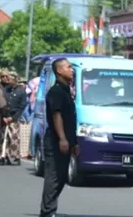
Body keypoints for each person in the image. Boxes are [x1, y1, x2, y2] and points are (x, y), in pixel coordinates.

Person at [39, 58, 77, 217]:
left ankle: (49, 210)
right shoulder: (56, 91)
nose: (72, 70)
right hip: (56, 141)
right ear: (59, 71)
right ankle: (47, 212)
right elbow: (57, 116)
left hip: (66, 140)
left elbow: (70, 119)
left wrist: (74, 142)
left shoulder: (66, 90)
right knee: (54, 177)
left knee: (61, 177)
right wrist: (62, 138)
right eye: (69, 67)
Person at [0, 71, 27, 165]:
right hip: (4, 117)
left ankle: (13, 157)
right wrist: (4, 116)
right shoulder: (5, 90)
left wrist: (13, 117)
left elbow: (22, 106)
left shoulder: (21, 91)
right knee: (1, 137)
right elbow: (2, 103)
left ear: (15, 79)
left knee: (14, 138)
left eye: (10, 79)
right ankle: (0, 156)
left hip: (14, 118)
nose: (8, 80)